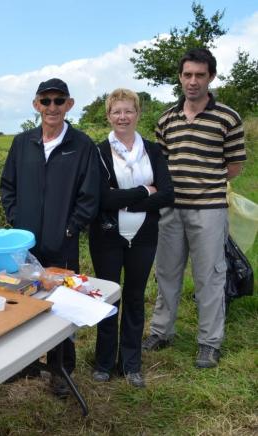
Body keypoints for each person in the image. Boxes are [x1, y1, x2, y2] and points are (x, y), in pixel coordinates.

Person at [143, 48, 246, 368]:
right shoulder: (166, 119)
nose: (193, 81)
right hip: (170, 210)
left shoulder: (227, 117)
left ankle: (209, 342)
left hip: (209, 210)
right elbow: (160, 165)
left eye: (200, 75)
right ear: (180, 77)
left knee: (210, 276)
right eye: (187, 74)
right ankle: (161, 331)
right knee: (166, 273)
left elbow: (234, 165)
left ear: (211, 77)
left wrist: (206, 186)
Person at [0, 78, 100, 397]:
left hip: (63, 242)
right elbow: (8, 187)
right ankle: (27, 363)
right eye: (46, 101)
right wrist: (17, 222)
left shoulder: (81, 145)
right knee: (24, 300)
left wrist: (70, 229)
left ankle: (61, 369)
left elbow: (90, 196)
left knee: (61, 305)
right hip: (26, 245)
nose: (52, 108)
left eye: (59, 101)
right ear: (36, 105)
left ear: (69, 105)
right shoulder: (22, 143)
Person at [89, 89, 174, 388]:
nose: (122, 117)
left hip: (144, 235)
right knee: (108, 297)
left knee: (135, 298)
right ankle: (103, 362)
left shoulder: (152, 150)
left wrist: (124, 199)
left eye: (128, 111)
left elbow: (166, 193)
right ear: (108, 116)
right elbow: (101, 198)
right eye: (116, 111)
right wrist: (142, 192)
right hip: (108, 237)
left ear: (138, 114)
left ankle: (131, 363)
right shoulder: (98, 152)